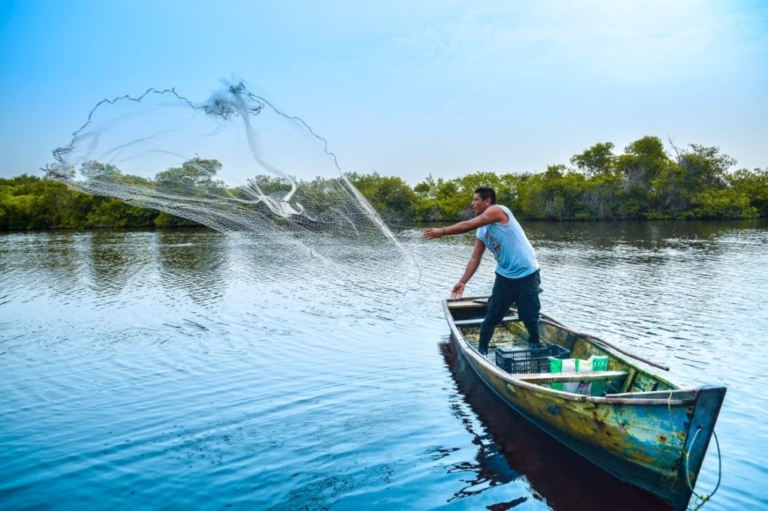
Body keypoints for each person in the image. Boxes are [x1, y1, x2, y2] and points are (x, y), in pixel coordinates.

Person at [423, 187, 541, 355]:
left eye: (476, 200)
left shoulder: (497, 211)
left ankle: (535, 345)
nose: (472, 203)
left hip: (527, 272)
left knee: (529, 315)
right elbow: (475, 258)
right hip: (505, 276)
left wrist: (442, 231)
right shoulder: (482, 231)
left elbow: (467, 225)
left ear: (487, 201)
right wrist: (463, 281)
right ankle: (482, 351)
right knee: (492, 316)